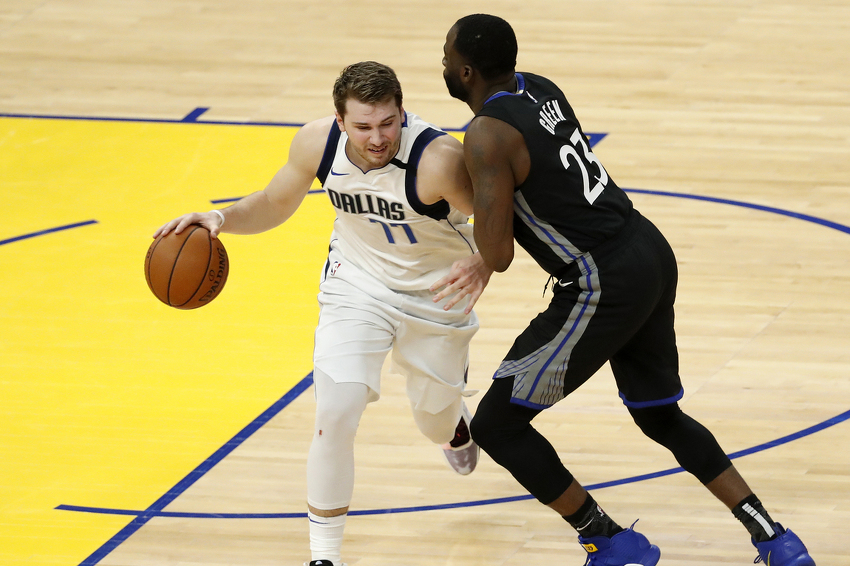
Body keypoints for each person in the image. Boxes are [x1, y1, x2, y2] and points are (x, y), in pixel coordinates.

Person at [441, 13, 815, 566]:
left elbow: (498, 255)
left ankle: (611, 541)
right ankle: (774, 537)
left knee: (496, 424)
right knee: (659, 414)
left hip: (601, 280)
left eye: (446, 56)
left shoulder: (486, 135)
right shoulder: (540, 87)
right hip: (646, 247)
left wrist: (459, 205)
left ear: (466, 71)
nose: (442, 63)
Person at [154, 61, 492, 566]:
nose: (377, 138)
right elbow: (274, 202)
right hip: (356, 288)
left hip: (435, 297)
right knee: (334, 413)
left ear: (402, 112)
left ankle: (453, 428)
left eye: (387, 123)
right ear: (339, 120)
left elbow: (501, 218)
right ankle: (324, 556)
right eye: (362, 126)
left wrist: (485, 260)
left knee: (433, 421)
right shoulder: (318, 144)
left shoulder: (440, 159)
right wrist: (219, 218)